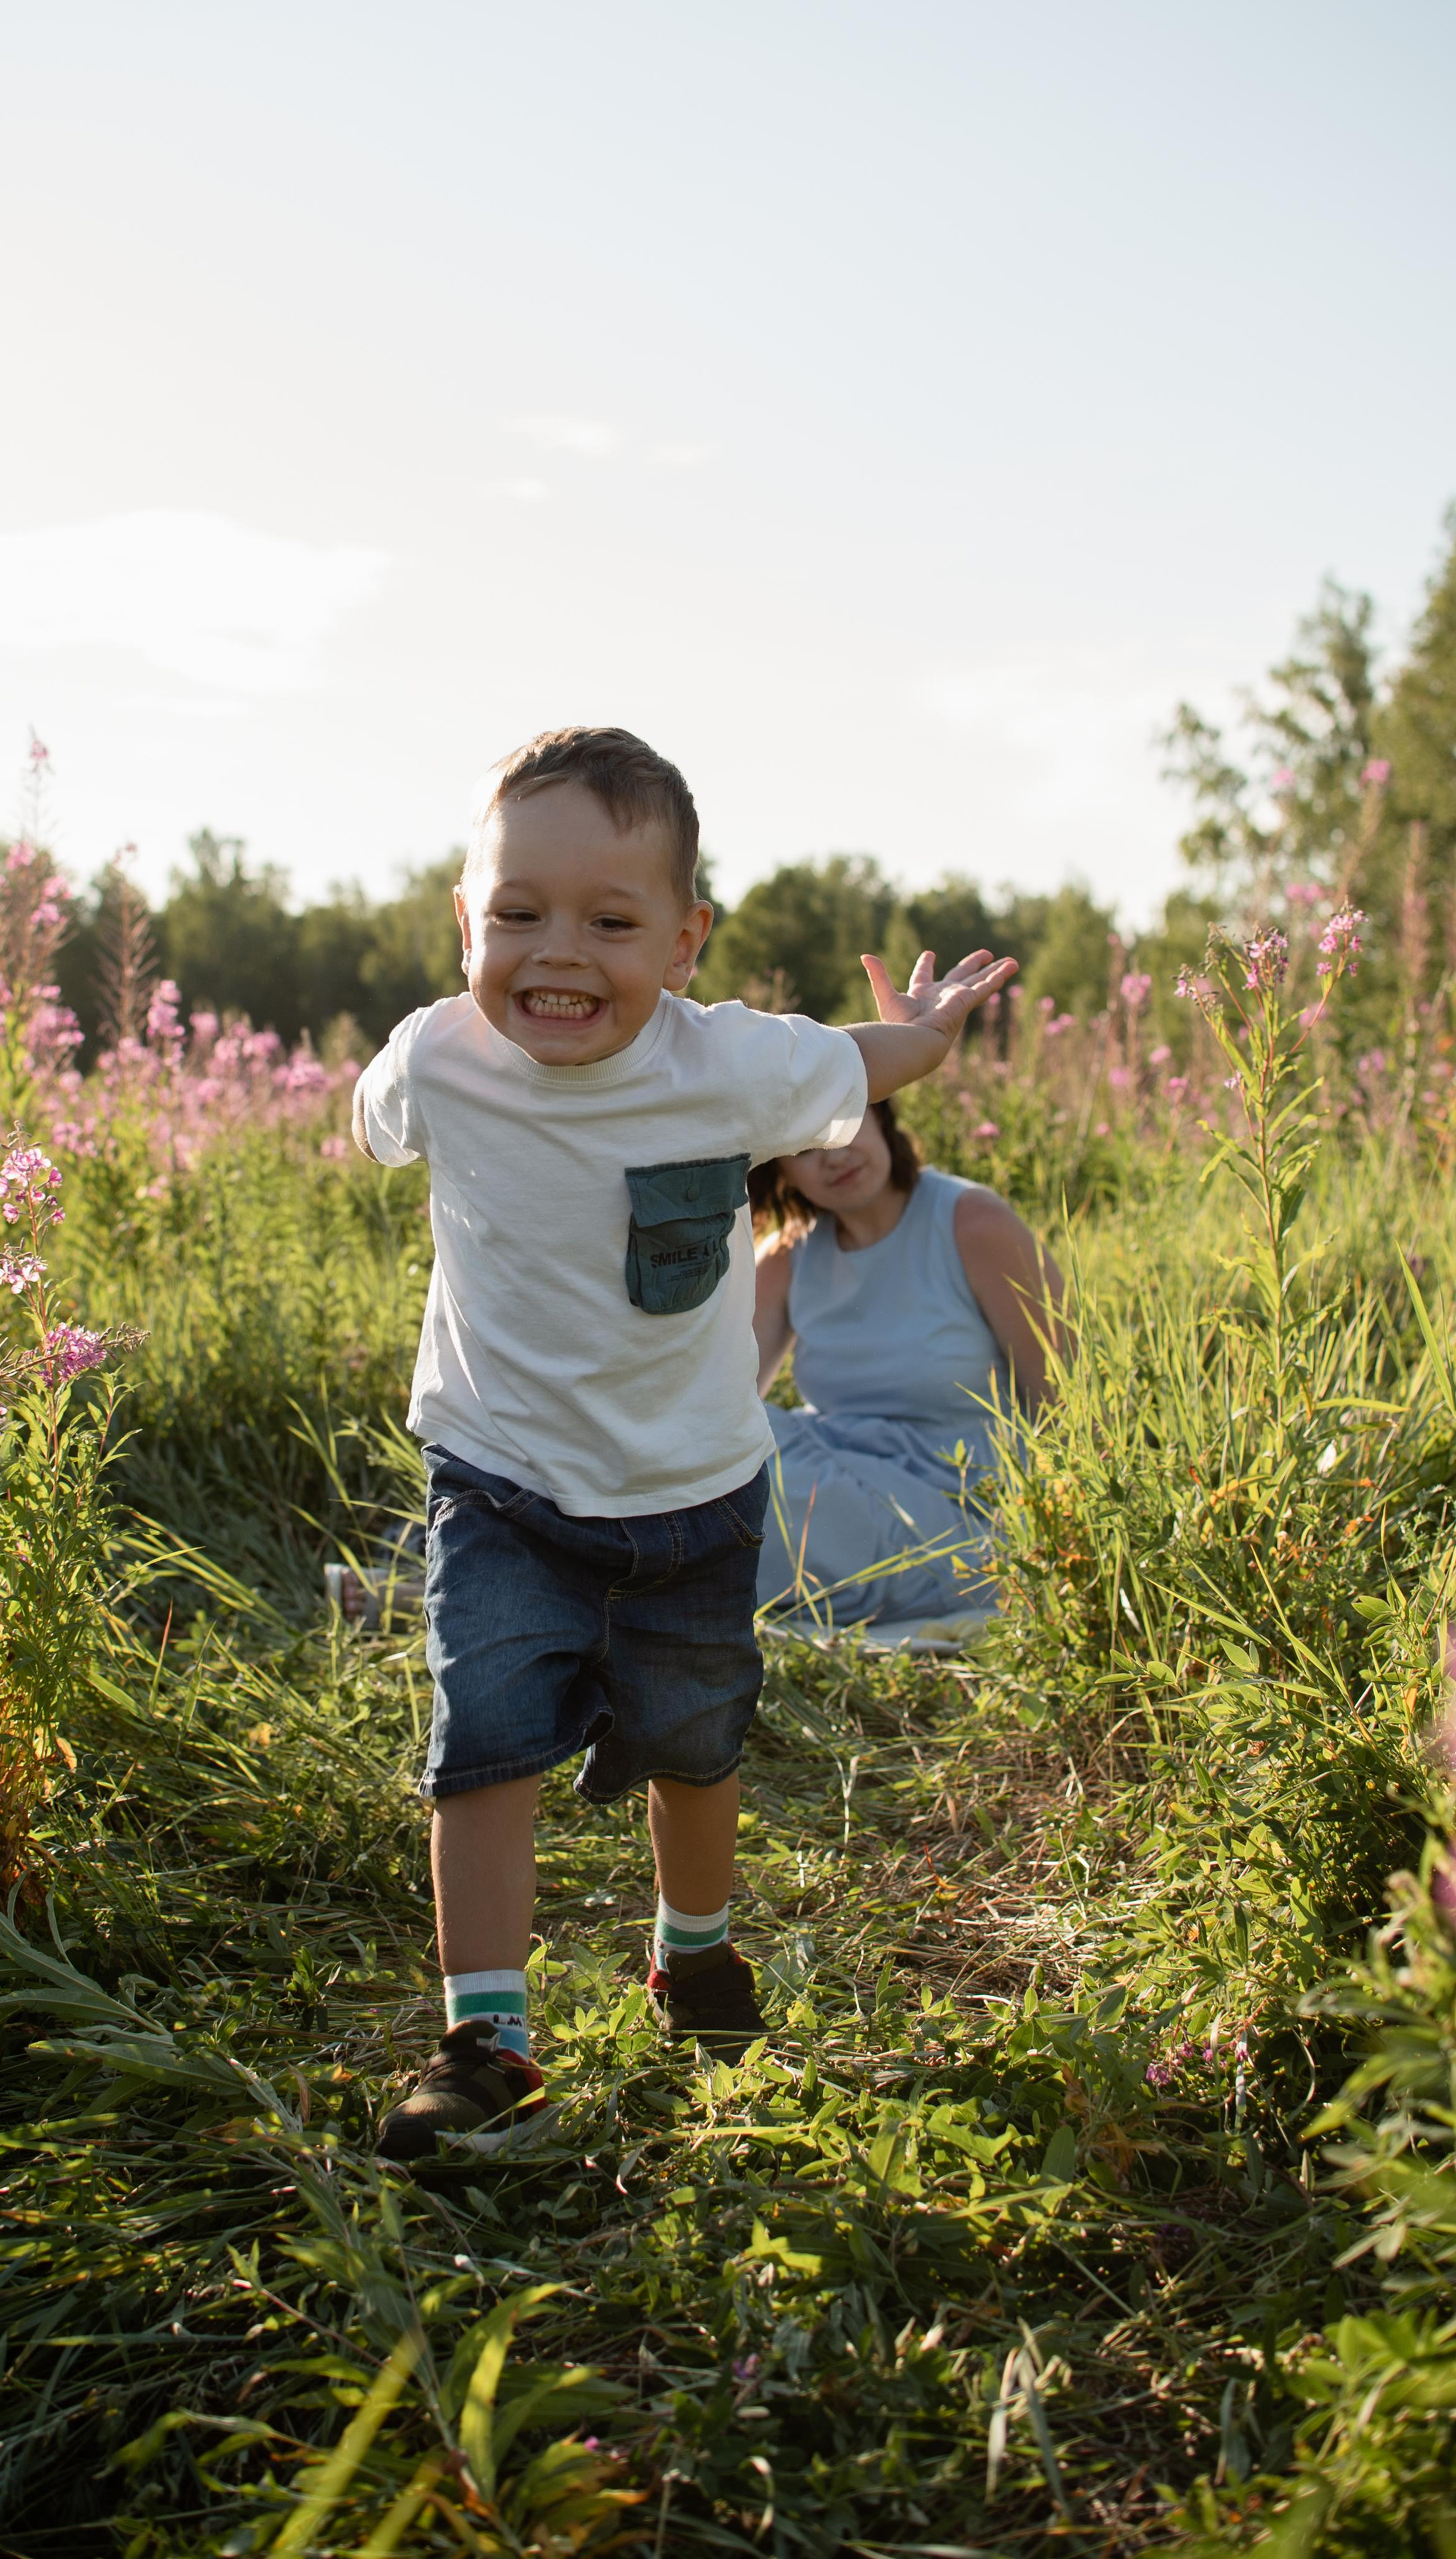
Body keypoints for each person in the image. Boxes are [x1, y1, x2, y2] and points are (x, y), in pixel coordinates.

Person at [350, 725, 1015, 2159]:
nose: (556, 952)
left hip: (696, 1490)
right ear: (464, 921)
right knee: (483, 1752)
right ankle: (485, 2040)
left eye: (609, 919)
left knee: (696, 1745)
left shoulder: (732, 1064)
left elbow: (863, 1057)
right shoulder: (438, 1059)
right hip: (498, 1482)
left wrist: (934, 1032)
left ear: (684, 939)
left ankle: (692, 1950)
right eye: (516, 912)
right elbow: (376, 1121)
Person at [749, 1104, 1068, 1633]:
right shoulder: (787, 1258)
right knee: (719, 1450)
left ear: (882, 1120)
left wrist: (1061, 1548)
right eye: (806, 1150)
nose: (837, 1157)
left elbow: (1068, 1408)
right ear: (780, 1171)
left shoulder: (973, 1223)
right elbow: (718, 1413)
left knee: (759, 1492)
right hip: (837, 1481)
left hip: (961, 1516)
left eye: (846, 1127)